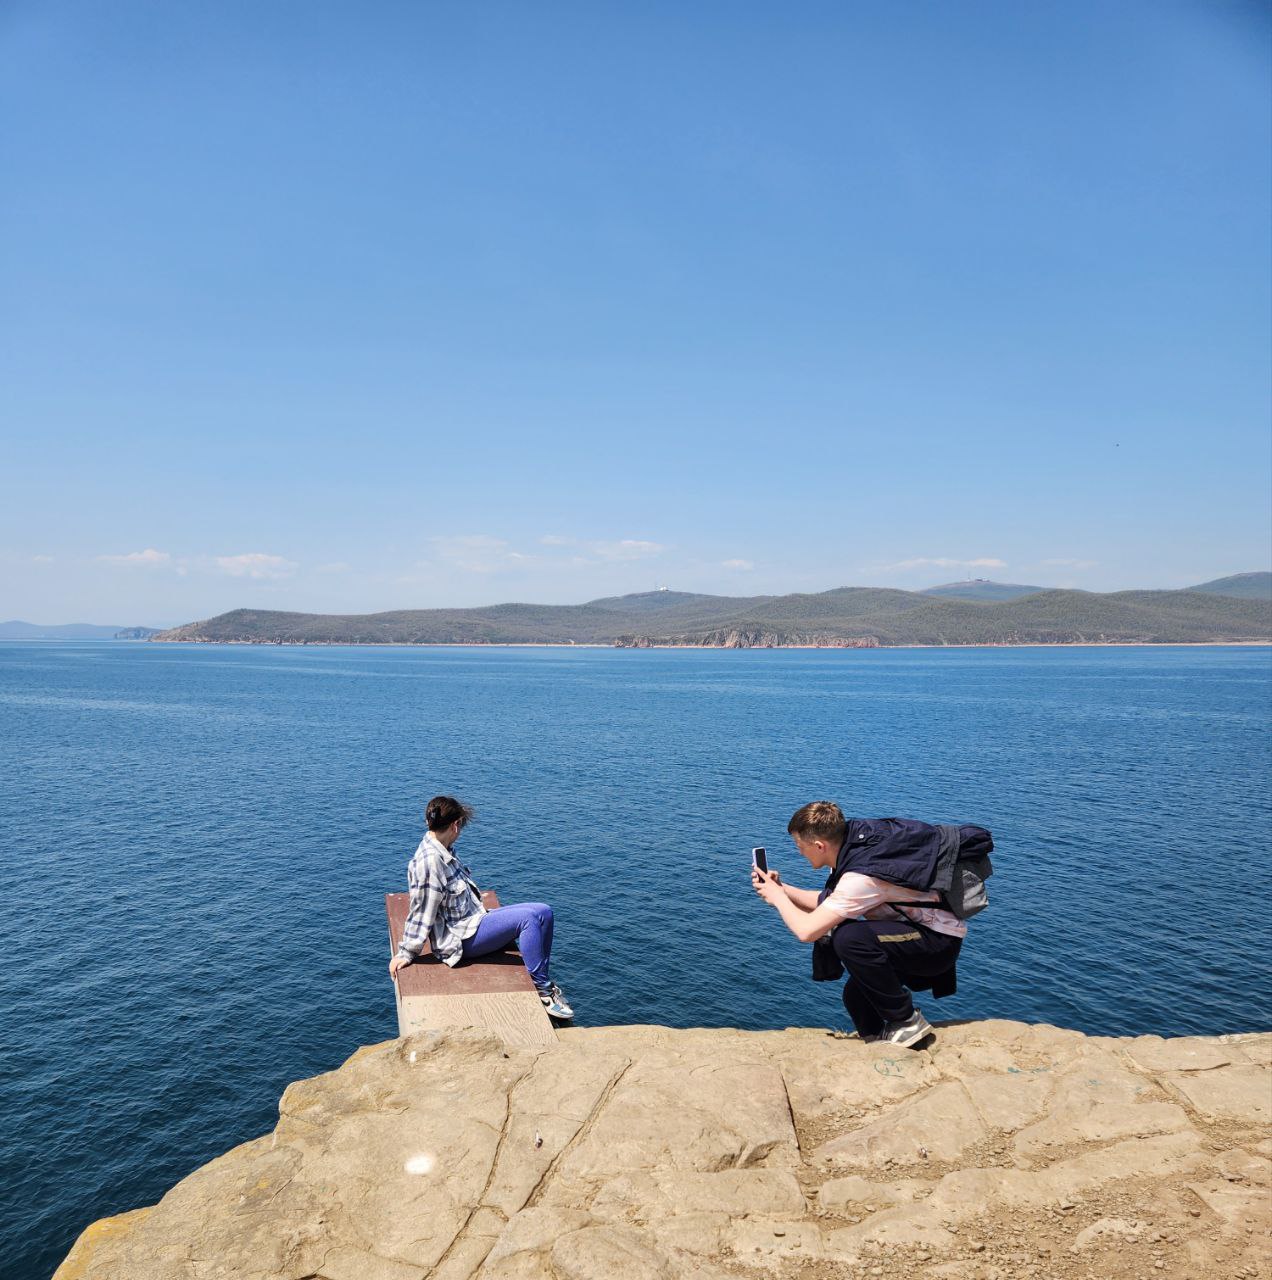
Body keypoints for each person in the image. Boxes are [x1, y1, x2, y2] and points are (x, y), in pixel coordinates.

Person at [752, 800, 964, 1048]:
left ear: (819, 846)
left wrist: (777, 899)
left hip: (936, 944)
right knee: (856, 996)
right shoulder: (854, 850)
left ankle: (907, 1022)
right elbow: (828, 903)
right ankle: (881, 1047)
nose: (799, 852)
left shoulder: (861, 877)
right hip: (916, 935)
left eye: (800, 846)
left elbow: (806, 930)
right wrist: (782, 890)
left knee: (849, 938)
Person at [388, 795, 574, 1020]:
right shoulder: (430, 862)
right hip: (460, 940)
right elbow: (422, 910)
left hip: (474, 922)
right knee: (529, 920)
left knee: (543, 911)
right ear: (455, 825)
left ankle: (542, 978)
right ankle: (543, 990)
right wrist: (407, 952)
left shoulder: (443, 850)